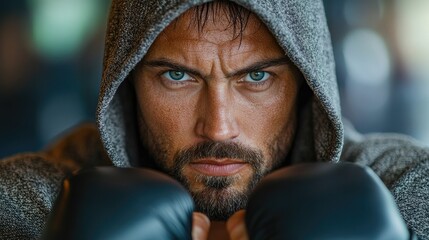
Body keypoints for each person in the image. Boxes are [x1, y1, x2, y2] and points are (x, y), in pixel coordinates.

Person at [1, 0, 428, 239]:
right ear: (125, 80)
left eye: (256, 77)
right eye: (177, 76)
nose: (219, 127)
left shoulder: (400, 187)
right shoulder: (41, 202)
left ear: (306, 81)